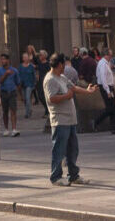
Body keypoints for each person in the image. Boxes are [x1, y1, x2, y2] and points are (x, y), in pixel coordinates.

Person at [44, 53, 84, 187]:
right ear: (60, 64)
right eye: (64, 64)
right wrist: (67, 96)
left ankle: (73, 175)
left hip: (70, 118)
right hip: (60, 119)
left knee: (73, 149)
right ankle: (56, 176)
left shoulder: (62, 77)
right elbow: (52, 98)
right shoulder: (50, 79)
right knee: (59, 149)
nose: (65, 67)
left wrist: (88, 91)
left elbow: (73, 88)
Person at [94, 50, 115, 133]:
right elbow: (103, 78)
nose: (111, 57)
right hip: (106, 87)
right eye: (110, 55)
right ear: (106, 55)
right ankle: (97, 121)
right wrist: (107, 90)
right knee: (110, 108)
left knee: (113, 108)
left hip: (109, 86)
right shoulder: (102, 64)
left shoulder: (106, 63)